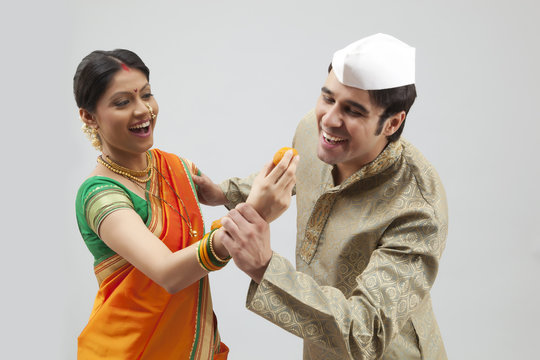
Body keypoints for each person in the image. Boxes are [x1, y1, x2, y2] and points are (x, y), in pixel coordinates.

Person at [194, 33, 448, 359]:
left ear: (392, 122)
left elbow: (365, 334)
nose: (329, 120)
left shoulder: (417, 208)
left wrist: (265, 268)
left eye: (353, 111)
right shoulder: (314, 132)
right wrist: (223, 192)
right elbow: (295, 172)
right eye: (328, 98)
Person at [73, 49, 298, 359]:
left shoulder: (176, 167)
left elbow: (220, 191)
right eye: (122, 102)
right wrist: (253, 214)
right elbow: (168, 273)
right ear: (89, 116)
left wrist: (222, 193)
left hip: (194, 346)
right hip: (129, 350)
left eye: (147, 95)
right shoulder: (100, 195)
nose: (143, 111)